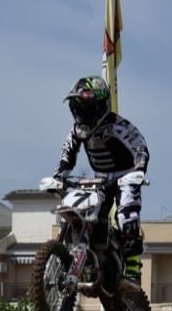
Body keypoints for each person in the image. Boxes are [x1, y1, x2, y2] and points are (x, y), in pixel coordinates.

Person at [54, 75, 150, 284]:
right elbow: (67, 151)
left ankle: (133, 268)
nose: (82, 113)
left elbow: (139, 146)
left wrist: (139, 169)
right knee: (85, 212)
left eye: (86, 108)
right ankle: (81, 257)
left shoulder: (118, 125)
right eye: (78, 107)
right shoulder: (78, 129)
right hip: (99, 178)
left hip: (125, 175)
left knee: (126, 216)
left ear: (100, 105)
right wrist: (60, 174)